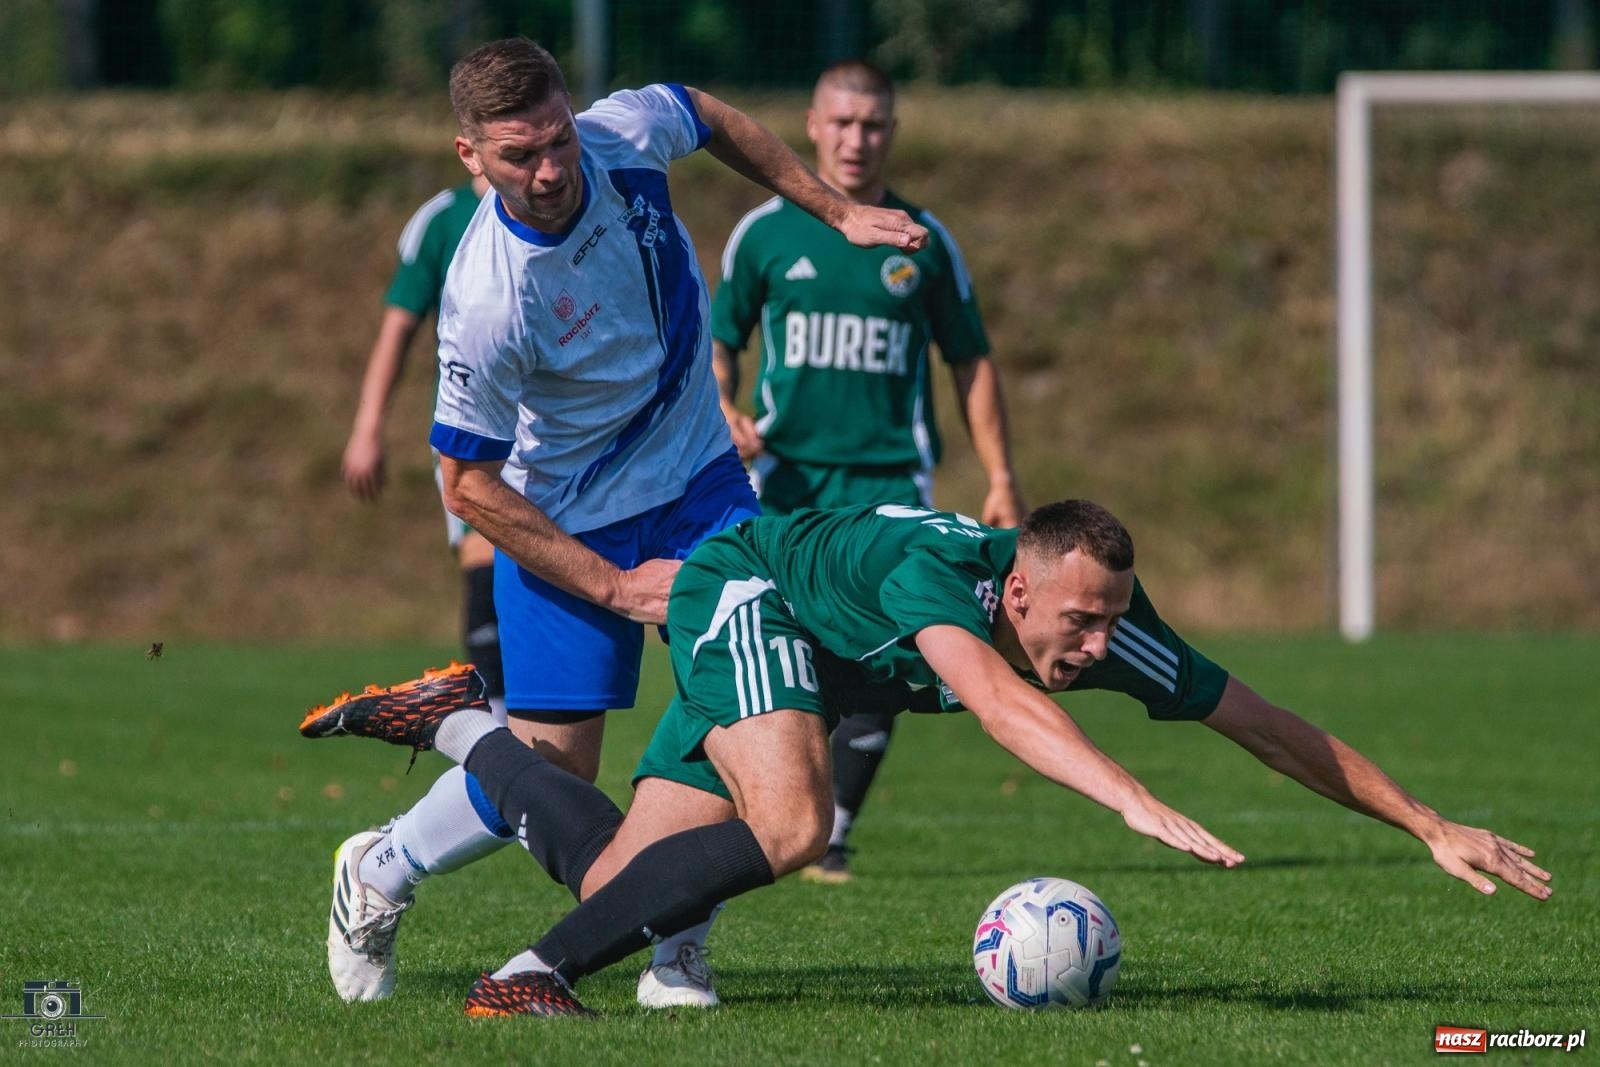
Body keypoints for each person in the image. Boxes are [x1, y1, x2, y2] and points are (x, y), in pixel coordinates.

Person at [302, 499, 1552, 1017]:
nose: (1096, 646)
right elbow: (1000, 704)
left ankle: (460, 722)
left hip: (797, 649)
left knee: (618, 882)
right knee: (795, 824)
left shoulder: (1102, 623)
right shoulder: (939, 582)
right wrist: (1127, 796)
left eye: (1113, 621)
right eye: (1078, 622)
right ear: (1018, 589)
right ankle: (524, 980)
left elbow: (1269, 723)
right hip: (748, 595)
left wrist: (1427, 821)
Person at [318, 36, 930, 1009]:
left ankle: (676, 948)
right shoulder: (485, 297)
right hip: (566, 523)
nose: (551, 169)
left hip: (700, 485)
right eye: (520, 154)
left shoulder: (623, 135)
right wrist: (608, 583)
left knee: (745, 706)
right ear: (470, 155)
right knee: (552, 770)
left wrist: (837, 208)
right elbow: (466, 484)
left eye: (558, 137)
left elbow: (709, 114)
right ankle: (382, 863)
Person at [712, 59, 1026, 884]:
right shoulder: (766, 233)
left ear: (893, 131)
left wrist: (1000, 472)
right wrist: (723, 407)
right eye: (844, 122)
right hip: (786, 483)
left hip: (890, 485)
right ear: (813, 127)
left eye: (874, 124)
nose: (858, 139)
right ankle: (766, 804)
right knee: (780, 647)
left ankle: (834, 829)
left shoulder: (924, 240)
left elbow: (971, 359)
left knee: (893, 653)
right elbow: (719, 340)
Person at [342, 174, 504, 720]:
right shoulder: (441, 220)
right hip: (474, 429)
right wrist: (368, 428)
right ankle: (495, 735)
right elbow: (398, 328)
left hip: (556, 430)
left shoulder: (558, 198)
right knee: (487, 566)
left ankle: (534, 740)